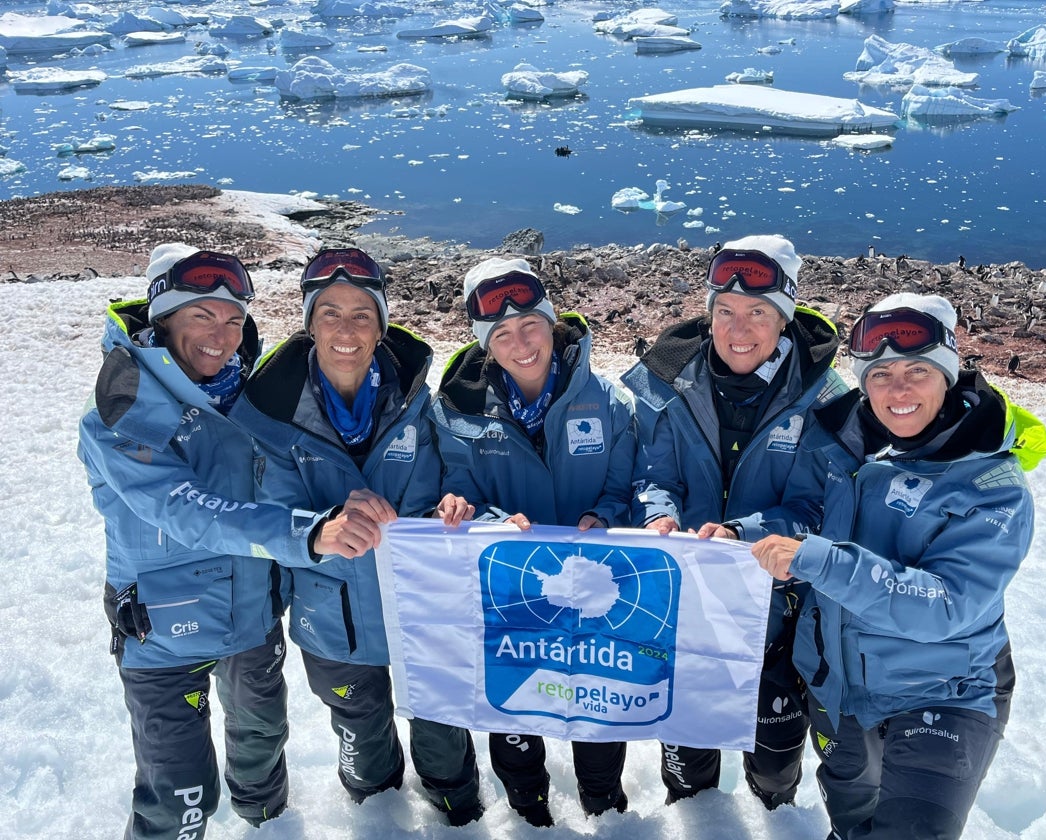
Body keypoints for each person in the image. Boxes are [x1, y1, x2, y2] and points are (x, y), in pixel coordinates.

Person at [78, 245, 390, 840]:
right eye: (202, 315)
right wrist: (309, 532)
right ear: (163, 318)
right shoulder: (119, 410)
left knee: (262, 753)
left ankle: (267, 826)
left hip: (251, 618)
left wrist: (341, 506)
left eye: (233, 319)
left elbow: (280, 485)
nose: (220, 335)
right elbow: (182, 510)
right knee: (180, 797)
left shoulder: (249, 396)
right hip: (162, 634)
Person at [752, 292, 1046, 839]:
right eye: (881, 373)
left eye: (918, 370)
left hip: (944, 691)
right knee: (852, 818)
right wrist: (742, 534)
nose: (899, 389)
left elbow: (946, 605)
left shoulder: (991, 484)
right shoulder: (842, 443)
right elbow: (807, 515)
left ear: (948, 375)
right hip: (836, 685)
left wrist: (818, 560)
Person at [228, 247, 483, 826]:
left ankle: (458, 804)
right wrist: (323, 523)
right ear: (309, 323)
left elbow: (462, 468)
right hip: (333, 621)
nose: (346, 330)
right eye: (330, 314)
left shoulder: (420, 399)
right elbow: (256, 514)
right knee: (363, 740)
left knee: (443, 729)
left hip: (427, 609)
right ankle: (376, 808)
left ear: (382, 323)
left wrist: (460, 501)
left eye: (362, 314)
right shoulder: (264, 414)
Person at [620, 234, 849, 810]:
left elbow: (816, 508)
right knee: (688, 762)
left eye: (757, 313)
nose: (738, 329)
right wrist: (659, 519)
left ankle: (776, 808)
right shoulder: (669, 381)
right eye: (725, 311)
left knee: (774, 766)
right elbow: (654, 476)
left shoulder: (825, 397)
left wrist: (741, 535)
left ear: (785, 318)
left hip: (778, 612)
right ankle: (693, 810)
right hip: (685, 606)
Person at [431, 257, 636, 826]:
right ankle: (528, 808)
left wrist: (602, 515)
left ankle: (603, 803)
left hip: (595, 588)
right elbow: (458, 488)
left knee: (595, 700)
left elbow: (625, 488)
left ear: (554, 325)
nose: (521, 344)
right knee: (516, 702)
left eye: (531, 326)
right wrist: (488, 516)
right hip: (512, 590)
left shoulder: (611, 401)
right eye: (501, 334)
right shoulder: (459, 410)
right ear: (485, 344)